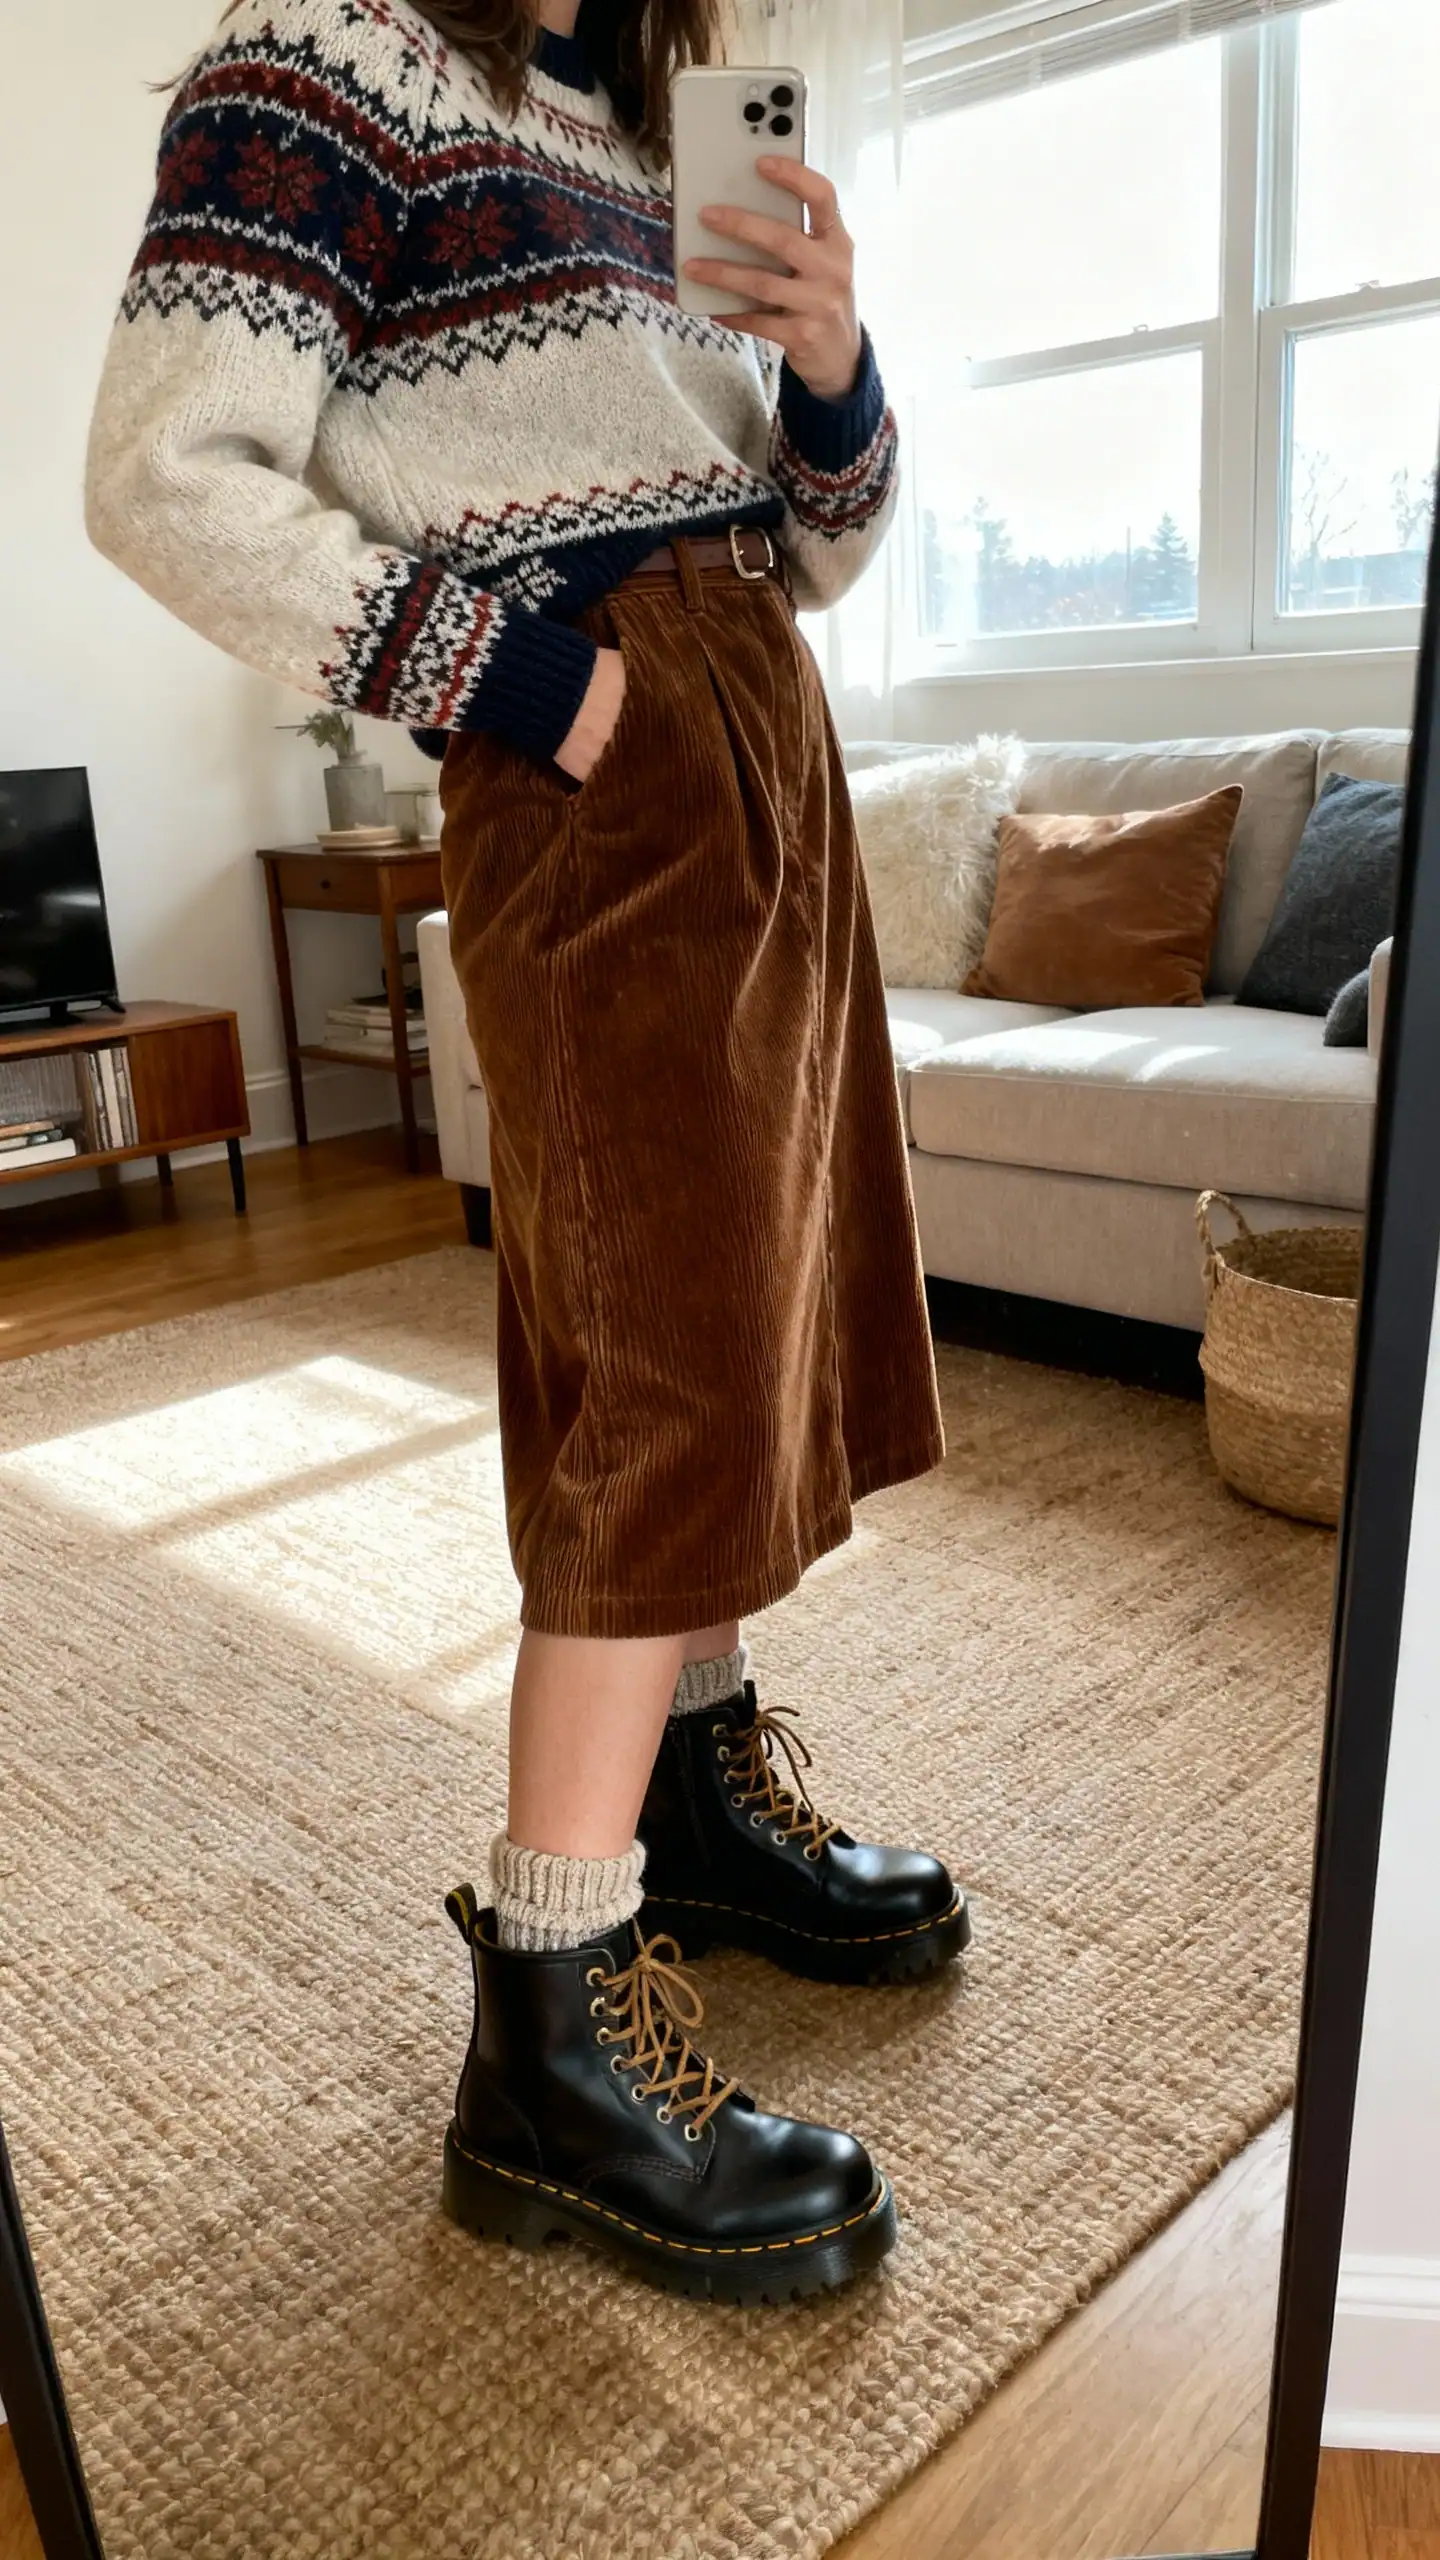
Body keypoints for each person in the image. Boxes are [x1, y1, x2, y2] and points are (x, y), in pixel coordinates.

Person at [86, 0, 969, 2307]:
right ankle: (551, 2043)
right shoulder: (335, 51)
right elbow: (165, 469)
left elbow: (822, 542)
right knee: (660, 1351)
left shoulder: (638, 114)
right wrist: (541, 686)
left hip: (759, 727)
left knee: (742, 1310)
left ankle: (691, 1787)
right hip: (599, 758)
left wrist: (832, 366)